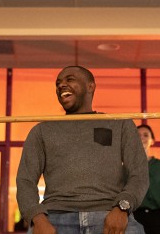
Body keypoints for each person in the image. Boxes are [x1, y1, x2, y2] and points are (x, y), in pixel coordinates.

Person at [16, 65, 148, 234]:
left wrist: (123, 208)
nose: (61, 85)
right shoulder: (41, 131)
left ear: (90, 86)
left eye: (69, 80)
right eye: (58, 83)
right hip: (54, 218)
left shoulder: (120, 124)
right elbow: (25, 180)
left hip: (111, 215)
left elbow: (140, 174)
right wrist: (37, 218)